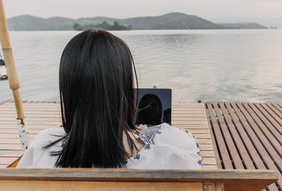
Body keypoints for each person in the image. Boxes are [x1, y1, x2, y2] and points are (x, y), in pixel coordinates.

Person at [17, 29, 202, 169]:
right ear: (125, 88)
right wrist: (136, 132)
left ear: (68, 90)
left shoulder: (43, 149)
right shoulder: (174, 147)